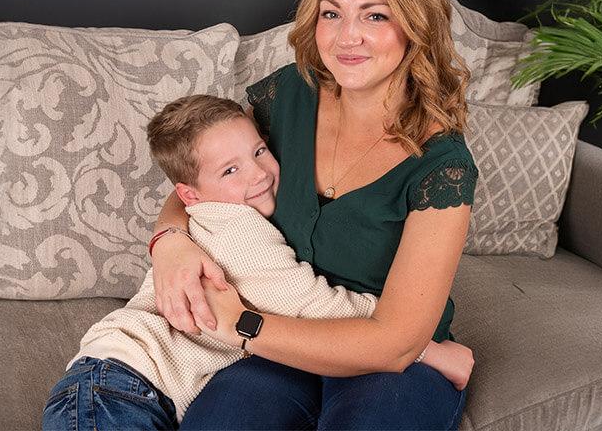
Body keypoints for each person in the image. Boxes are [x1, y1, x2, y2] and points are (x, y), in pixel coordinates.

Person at [149, 0, 479, 429]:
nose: (348, 37)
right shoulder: (287, 96)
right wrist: (170, 241)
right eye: (332, 13)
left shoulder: (442, 166)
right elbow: (200, 182)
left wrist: (242, 324)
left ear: (416, 24)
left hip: (390, 363)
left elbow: (393, 345)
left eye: (375, 15)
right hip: (281, 352)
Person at [41, 95, 474, 430]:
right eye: (230, 171)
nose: (258, 174)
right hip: (120, 388)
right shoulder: (237, 231)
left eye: (260, 152)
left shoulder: (222, 213)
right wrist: (421, 346)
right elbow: (311, 304)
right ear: (190, 195)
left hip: (121, 384)